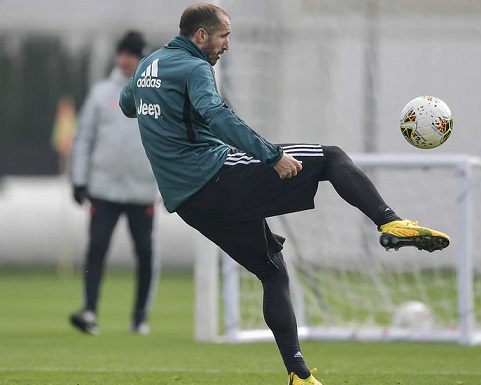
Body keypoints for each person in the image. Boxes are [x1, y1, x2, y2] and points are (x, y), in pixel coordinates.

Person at [119, 4, 449, 384]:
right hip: (216, 177)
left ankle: (299, 376)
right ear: (201, 36)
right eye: (224, 35)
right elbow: (219, 116)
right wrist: (271, 156)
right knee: (332, 157)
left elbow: (129, 105)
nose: (228, 44)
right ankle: (391, 221)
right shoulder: (195, 67)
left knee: (272, 271)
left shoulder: (147, 66)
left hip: (190, 203)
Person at [69, 31, 159, 336]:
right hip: (103, 189)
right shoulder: (100, 93)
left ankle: (139, 317)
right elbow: (83, 139)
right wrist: (79, 179)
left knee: (146, 254)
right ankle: (90, 311)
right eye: (122, 53)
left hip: (142, 190)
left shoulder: (157, 94)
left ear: (142, 58)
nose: (125, 59)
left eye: (131, 54)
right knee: (96, 250)